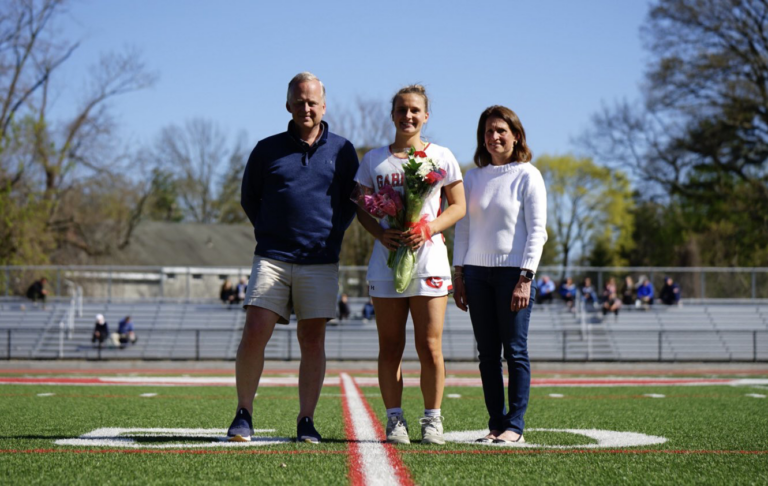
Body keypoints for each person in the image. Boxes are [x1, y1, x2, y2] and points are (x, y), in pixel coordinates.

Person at [227, 72, 359, 444]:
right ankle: (243, 413)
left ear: (324, 105)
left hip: (319, 259)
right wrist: (271, 232)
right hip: (272, 257)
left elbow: (353, 201)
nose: (306, 107)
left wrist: (331, 234)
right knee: (255, 331)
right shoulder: (266, 149)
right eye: (299, 101)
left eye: (312, 101)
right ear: (288, 105)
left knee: (312, 338)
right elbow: (249, 199)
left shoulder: (344, 151)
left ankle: (306, 420)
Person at [355, 84, 465, 445]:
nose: (408, 116)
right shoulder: (373, 160)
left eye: (415, 110)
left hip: (430, 261)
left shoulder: (442, 156)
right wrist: (379, 233)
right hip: (387, 264)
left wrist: (429, 227)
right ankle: (394, 419)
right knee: (390, 346)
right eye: (401, 110)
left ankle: (432, 420)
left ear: (426, 116)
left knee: (430, 346)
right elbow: (360, 206)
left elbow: (458, 206)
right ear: (393, 114)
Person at [453, 105, 547, 445]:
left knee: (515, 351)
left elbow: (538, 232)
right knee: (487, 355)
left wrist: (526, 277)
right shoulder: (472, 177)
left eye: (500, 131)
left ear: (515, 135)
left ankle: (515, 426)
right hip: (476, 276)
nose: (493, 137)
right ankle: (495, 424)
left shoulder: (528, 174)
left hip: (513, 275)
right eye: (488, 131)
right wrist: (459, 274)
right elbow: (462, 230)